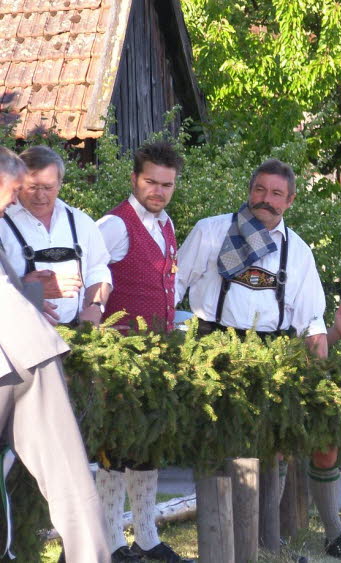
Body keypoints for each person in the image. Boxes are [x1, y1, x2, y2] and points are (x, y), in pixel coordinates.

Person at [173, 158, 341, 561]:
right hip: (214, 346)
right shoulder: (211, 231)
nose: (266, 200)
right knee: (219, 444)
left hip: (273, 352)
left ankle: (262, 540)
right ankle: (220, 540)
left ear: (290, 200)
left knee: (272, 446)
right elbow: (171, 285)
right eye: (260, 189)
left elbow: (311, 324)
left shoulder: (298, 251)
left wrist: (319, 386)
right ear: (249, 189)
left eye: (276, 193)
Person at [0, 147, 110, 562]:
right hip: (30, 347)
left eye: (48, 187)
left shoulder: (79, 223)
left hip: (32, 353)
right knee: (69, 478)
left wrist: (92, 309)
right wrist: (33, 291)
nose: (16, 202)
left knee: (70, 479)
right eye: (17, 191)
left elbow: (100, 273)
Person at [95, 141, 190, 562]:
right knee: (114, 449)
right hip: (119, 359)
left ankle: (147, 537)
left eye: (166, 184)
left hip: (157, 360)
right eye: (151, 181)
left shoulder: (167, 225)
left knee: (148, 447)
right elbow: (89, 280)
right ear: (134, 179)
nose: (158, 190)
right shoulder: (115, 225)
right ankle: (111, 540)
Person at [0, 146, 112, 326]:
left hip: (77, 333)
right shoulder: (3, 223)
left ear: (60, 183)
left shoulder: (81, 222)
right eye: (32, 187)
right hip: (20, 335)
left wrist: (96, 306)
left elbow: (98, 269)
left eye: (48, 187)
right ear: (19, 183)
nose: (40, 195)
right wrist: (27, 287)